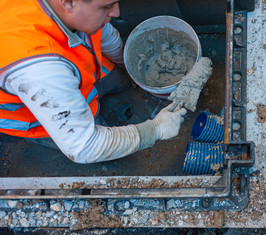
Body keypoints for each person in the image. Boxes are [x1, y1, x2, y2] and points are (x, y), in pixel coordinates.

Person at [0, 0, 187, 163]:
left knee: (121, 80)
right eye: (106, 7)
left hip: (78, 71)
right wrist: (154, 130)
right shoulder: (38, 69)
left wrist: (130, 68)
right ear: (68, 2)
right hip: (34, 115)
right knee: (100, 139)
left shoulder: (80, 14)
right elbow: (84, 147)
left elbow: (104, 34)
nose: (116, 13)